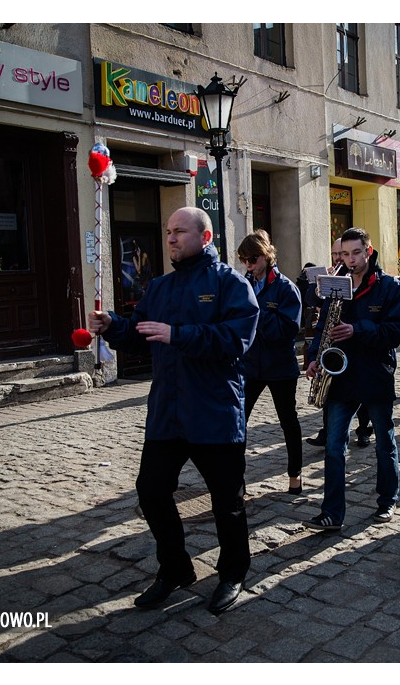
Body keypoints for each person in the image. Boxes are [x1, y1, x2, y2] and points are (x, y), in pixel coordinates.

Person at [87, 207, 258, 615]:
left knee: (226, 502)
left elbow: (236, 339)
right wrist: (112, 325)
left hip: (214, 411)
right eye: (168, 232)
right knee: (151, 490)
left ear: (206, 236)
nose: (171, 239)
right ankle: (176, 568)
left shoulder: (230, 284)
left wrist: (178, 335)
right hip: (168, 411)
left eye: (179, 231)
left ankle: (233, 572)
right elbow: (140, 335)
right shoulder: (159, 287)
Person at [304, 227, 400, 531]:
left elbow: (395, 332)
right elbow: (322, 324)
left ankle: (387, 500)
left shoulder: (390, 286)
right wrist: (313, 357)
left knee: (384, 443)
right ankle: (332, 512)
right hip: (341, 377)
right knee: (335, 446)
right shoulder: (336, 283)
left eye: (355, 253)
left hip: (375, 374)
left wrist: (357, 330)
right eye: (344, 254)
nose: (349, 259)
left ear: (368, 251)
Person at [238, 230, 305, 495]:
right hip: (251, 366)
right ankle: (236, 480)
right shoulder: (244, 284)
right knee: (237, 422)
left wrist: (257, 314)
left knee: (288, 421)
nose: (248, 265)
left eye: (252, 259)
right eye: (244, 259)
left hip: (280, 367)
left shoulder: (286, 288)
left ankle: (295, 476)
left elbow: (288, 329)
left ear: (266, 255)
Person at [306, 238, 373, 448]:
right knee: (331, 392)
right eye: (339, 254)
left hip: (362, 354)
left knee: (364, 400)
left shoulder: (373, 280)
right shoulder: (335, 276)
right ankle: (328, 432)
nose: (341, 259)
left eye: (343, 254)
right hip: (335, 352)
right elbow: (314, 301)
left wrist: (356, 329)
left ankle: (364, 429)